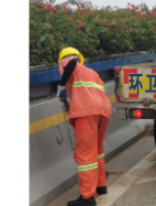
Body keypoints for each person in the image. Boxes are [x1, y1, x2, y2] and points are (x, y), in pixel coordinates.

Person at [57, 47, 113, 206]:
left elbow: (70, 62)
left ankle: (87, 196)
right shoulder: (91, 72)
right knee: (97, 150)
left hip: (86, 112)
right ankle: (100, 185)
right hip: (103, 111)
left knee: (85, 155)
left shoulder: (69, 62)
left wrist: (61, 85)